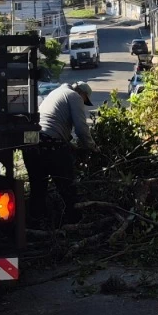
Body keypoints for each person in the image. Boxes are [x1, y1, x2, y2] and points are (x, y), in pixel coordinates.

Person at [27, 80, 93, 225]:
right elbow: (81, 128)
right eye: (85, 100)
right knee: (67, 188)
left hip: (31, 143)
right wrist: (92, 147)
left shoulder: (55, 93)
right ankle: (74, 223)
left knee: (38, 188)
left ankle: (36, 223)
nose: (83, 102)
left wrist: (71, 146)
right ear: (81, 93)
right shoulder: (73, 96)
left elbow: (51, 123)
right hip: (50, 144)